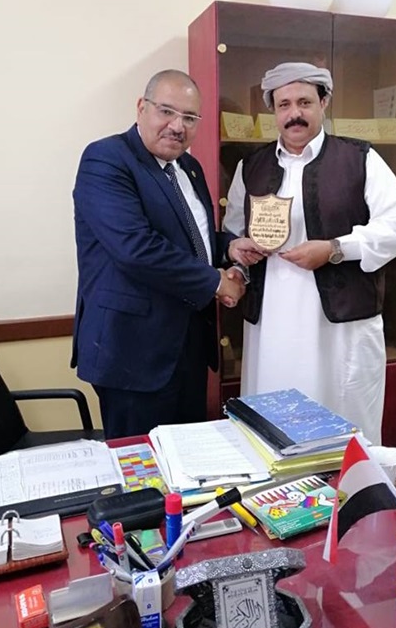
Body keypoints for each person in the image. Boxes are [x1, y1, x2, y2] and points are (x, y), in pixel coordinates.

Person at [223, 62, 396, 445]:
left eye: (304, 102)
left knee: (342, 418)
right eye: (284, 105)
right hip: (271, 323)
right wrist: (238, 259)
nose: (294, 113)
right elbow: (235, 231)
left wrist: (334, 249)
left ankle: (350, 482)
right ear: (273, 110)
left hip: (340, 325)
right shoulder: (251, 166)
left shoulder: (359, 158)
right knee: (272, 419)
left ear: (323, 103)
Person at [72, 69, 259, 438]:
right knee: (141, 464)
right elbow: (135, 247)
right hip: (132, 353)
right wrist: (215, 281)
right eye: (167, 112)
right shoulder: (106, 159)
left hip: (188, 347)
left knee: (187, 458)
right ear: (141, 108)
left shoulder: (189, 167)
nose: (177, 126)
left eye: (189, 117)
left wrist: (228, 245)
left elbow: (190, 237)